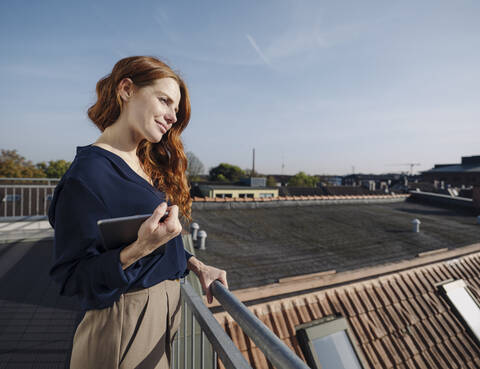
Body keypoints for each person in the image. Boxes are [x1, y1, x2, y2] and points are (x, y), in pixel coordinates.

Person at [48, 56, 228, 369]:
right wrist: (139, 248)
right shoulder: (88, 175)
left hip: (161, 317)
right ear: (127, 89)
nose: (172, 117)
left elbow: (156, 241)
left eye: (176, 109)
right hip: (124, 326)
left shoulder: (143, 166)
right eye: (165, 101)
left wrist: (196, 264)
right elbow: (70, 278)